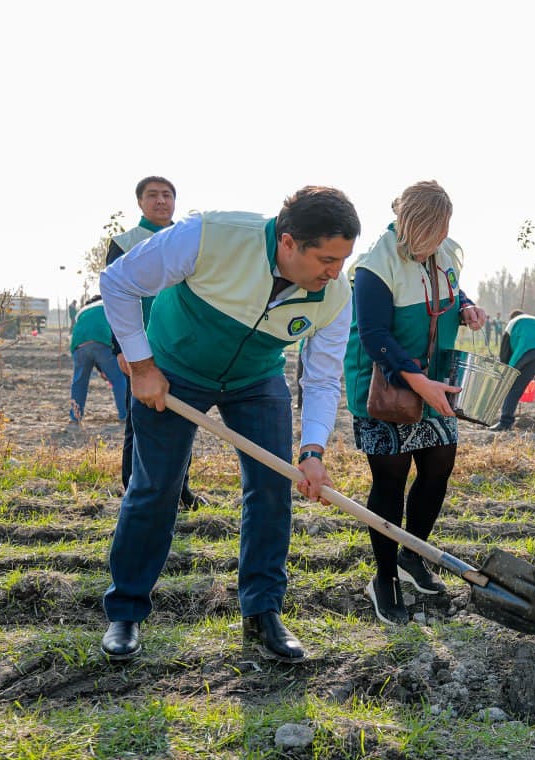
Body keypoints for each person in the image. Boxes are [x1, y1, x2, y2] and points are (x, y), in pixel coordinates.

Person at [97, 185, 360, 664]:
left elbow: (322, 378)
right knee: (155, 487)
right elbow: (118, 281)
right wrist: (141, 365)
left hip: (255, 378)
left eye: (342, 260)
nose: (334, 271)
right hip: (172, 371)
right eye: (326, 259)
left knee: (272, 486)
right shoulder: (210, 235)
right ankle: (126, 611)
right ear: (287, 242)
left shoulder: (336, 295)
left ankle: (263, 613)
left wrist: (314, 452)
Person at [343, 181, 487, 625]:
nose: (437, 242)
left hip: (433, 380)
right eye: (429, 232)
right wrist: (415, 381)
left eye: (442, 231)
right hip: (385, 385)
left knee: (439, 466)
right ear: (409, 225)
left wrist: (467, 307)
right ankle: (383, 579)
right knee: (390, 480)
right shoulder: (375, 265)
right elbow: (374, 335)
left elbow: (452, 292)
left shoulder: (446, 254)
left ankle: (412, 554)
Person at [105, 176, 204, 510]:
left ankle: (180, 489)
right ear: (140, 203)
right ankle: (134, 486)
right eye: (153, 195)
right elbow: (114, 295)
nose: (161, 201)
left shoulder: (188, 239)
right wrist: (120, 347)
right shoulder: (126, 241)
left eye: (167, 195)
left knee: (183, 418)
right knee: (140, 420)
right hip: (141, 347)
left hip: (181, 345)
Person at [68, 295, 129, 423]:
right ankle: (125, 415)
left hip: (78, 344)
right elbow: (115, 332)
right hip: (101, 340)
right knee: (118, 379)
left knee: (79, 381)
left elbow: (89, 346)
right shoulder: (109, 304)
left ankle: (75, 417)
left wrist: (101, 369)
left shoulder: (83, 310)